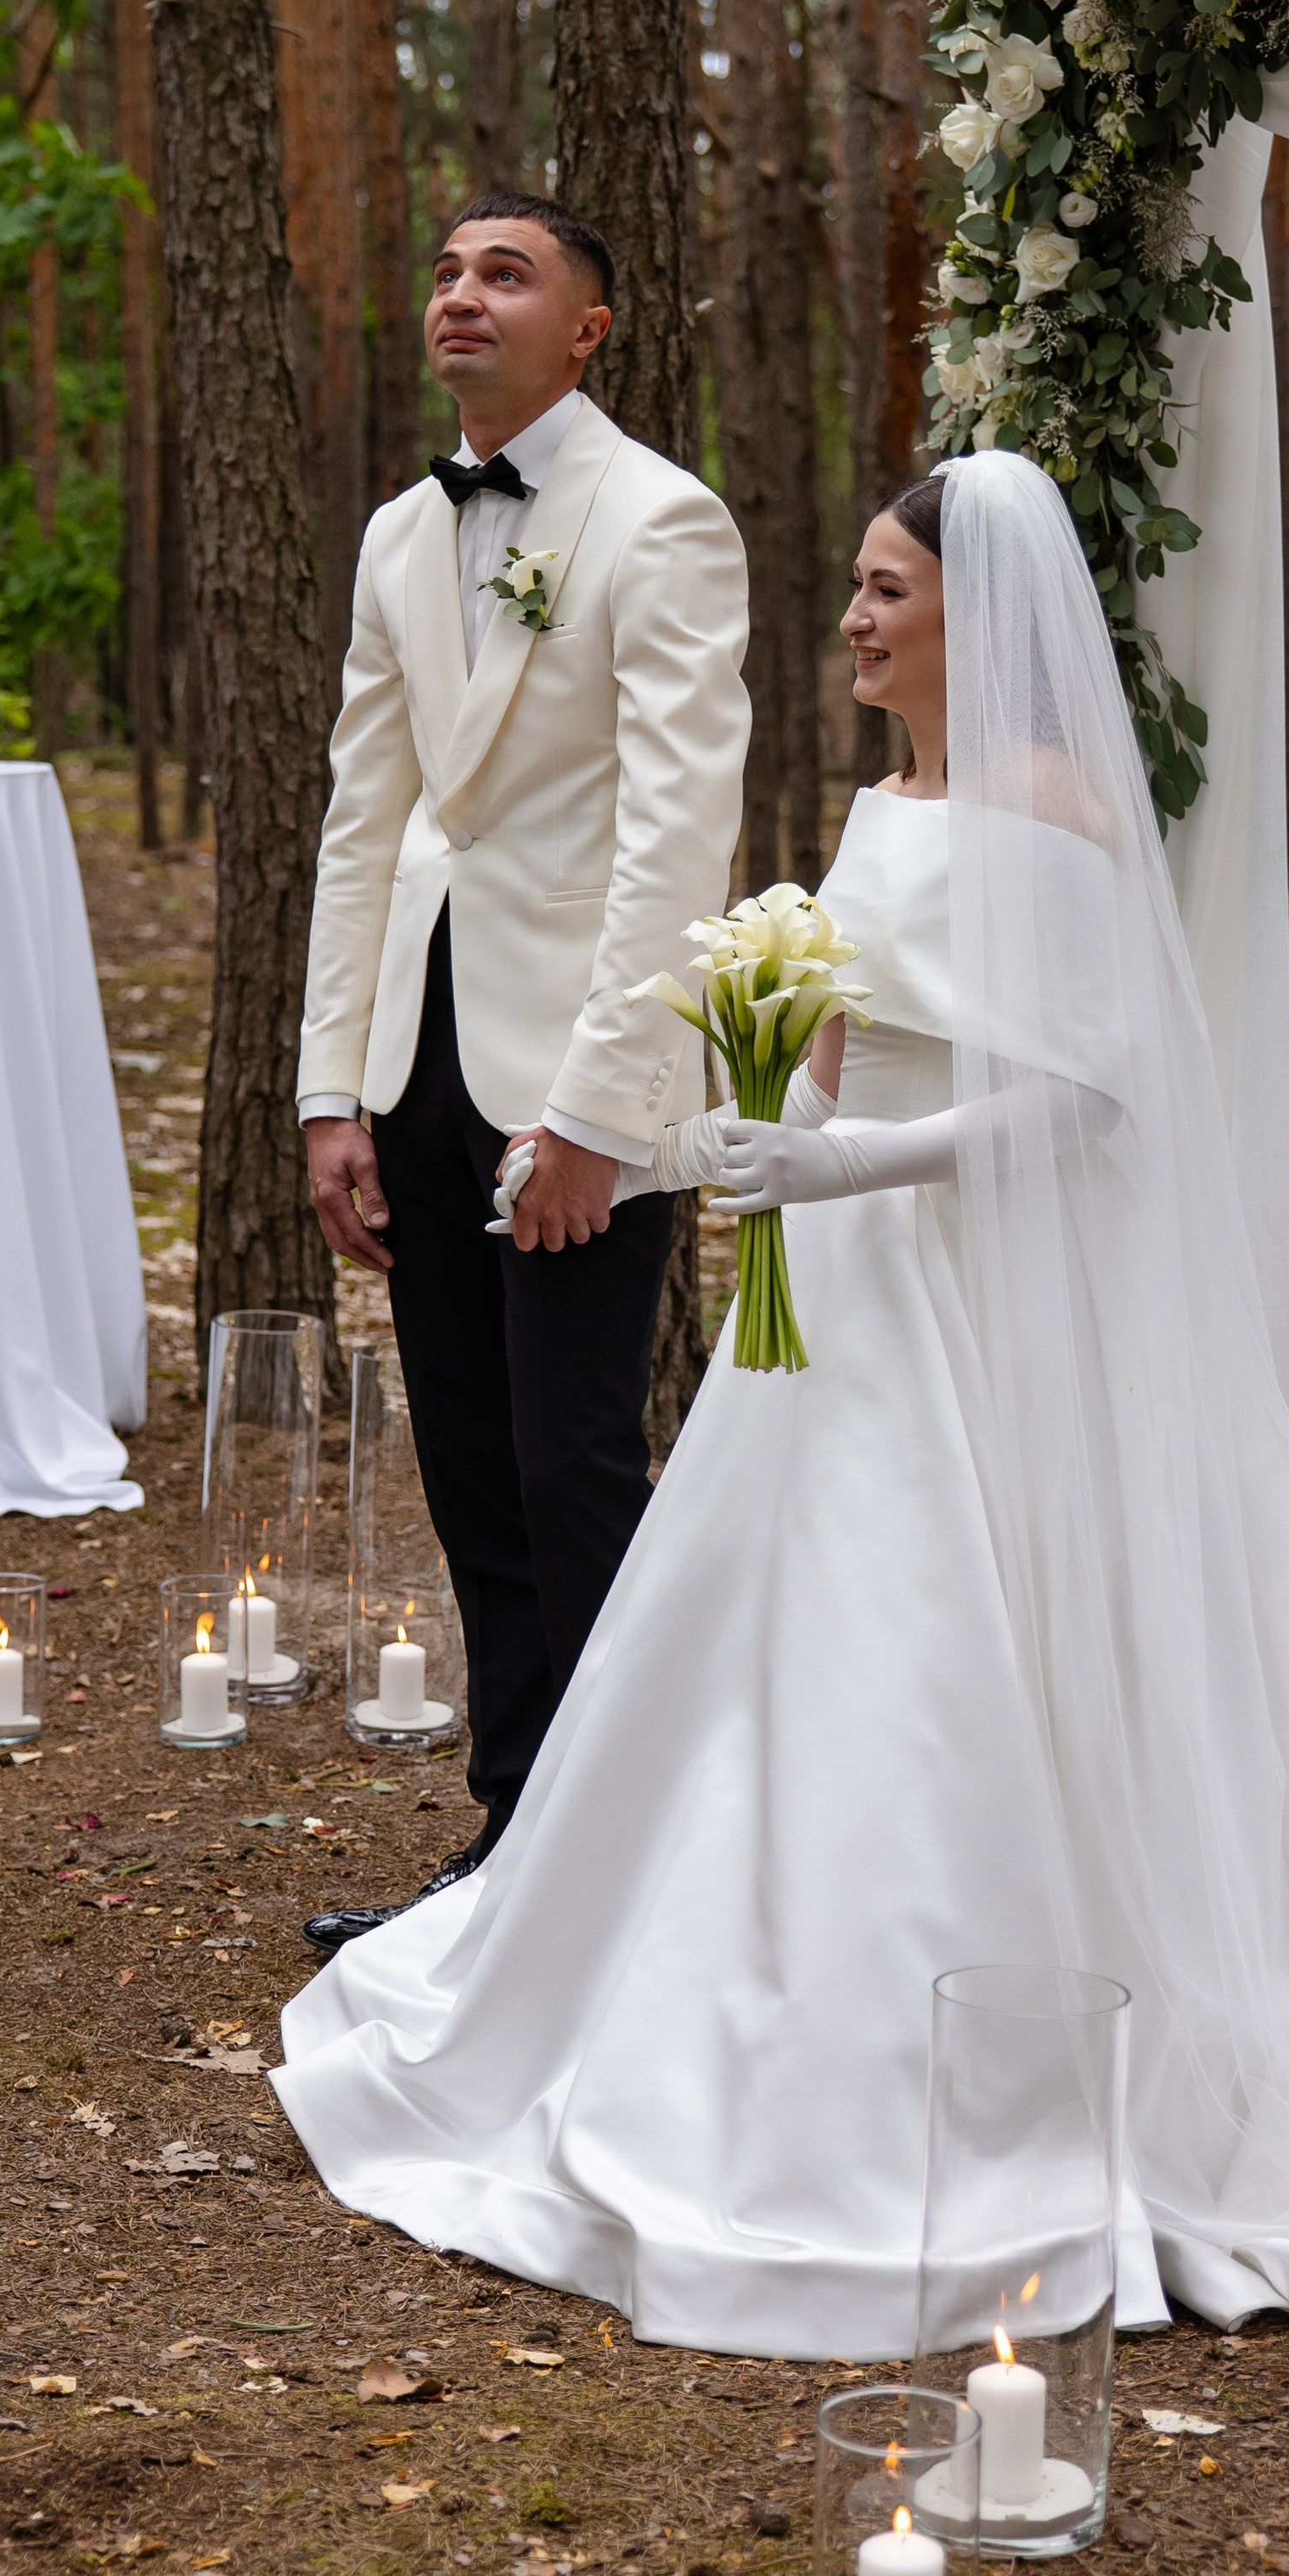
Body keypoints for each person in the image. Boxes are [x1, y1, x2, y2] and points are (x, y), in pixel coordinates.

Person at [274, 451, 1289, 2372]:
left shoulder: (1047, 808)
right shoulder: (884, 804)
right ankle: (739, 1993)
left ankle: (997, 2032)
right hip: (837, 1306)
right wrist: (697, 1142)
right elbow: (843, 1051)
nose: (855, 621)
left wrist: (850, 1171)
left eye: (888, 591)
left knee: (949, 1642)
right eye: (861, 589)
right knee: (778, 1649)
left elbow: (1088, 1094)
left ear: (982, 614)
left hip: (967, 1298)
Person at [296, 196, 748, 1937]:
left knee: (573, 1464)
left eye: (507, 274)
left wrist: (594, 1113)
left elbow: (675, 836)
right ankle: (512, 1849)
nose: (461, 297)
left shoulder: (662, 519)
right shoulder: (400, 533)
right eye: (445, 272)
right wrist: (332, 1093)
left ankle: (633, 1866)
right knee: (471, 1470)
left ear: (590, 329)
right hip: (416, 1060)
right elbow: (366, 819)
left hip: (574, 1078)